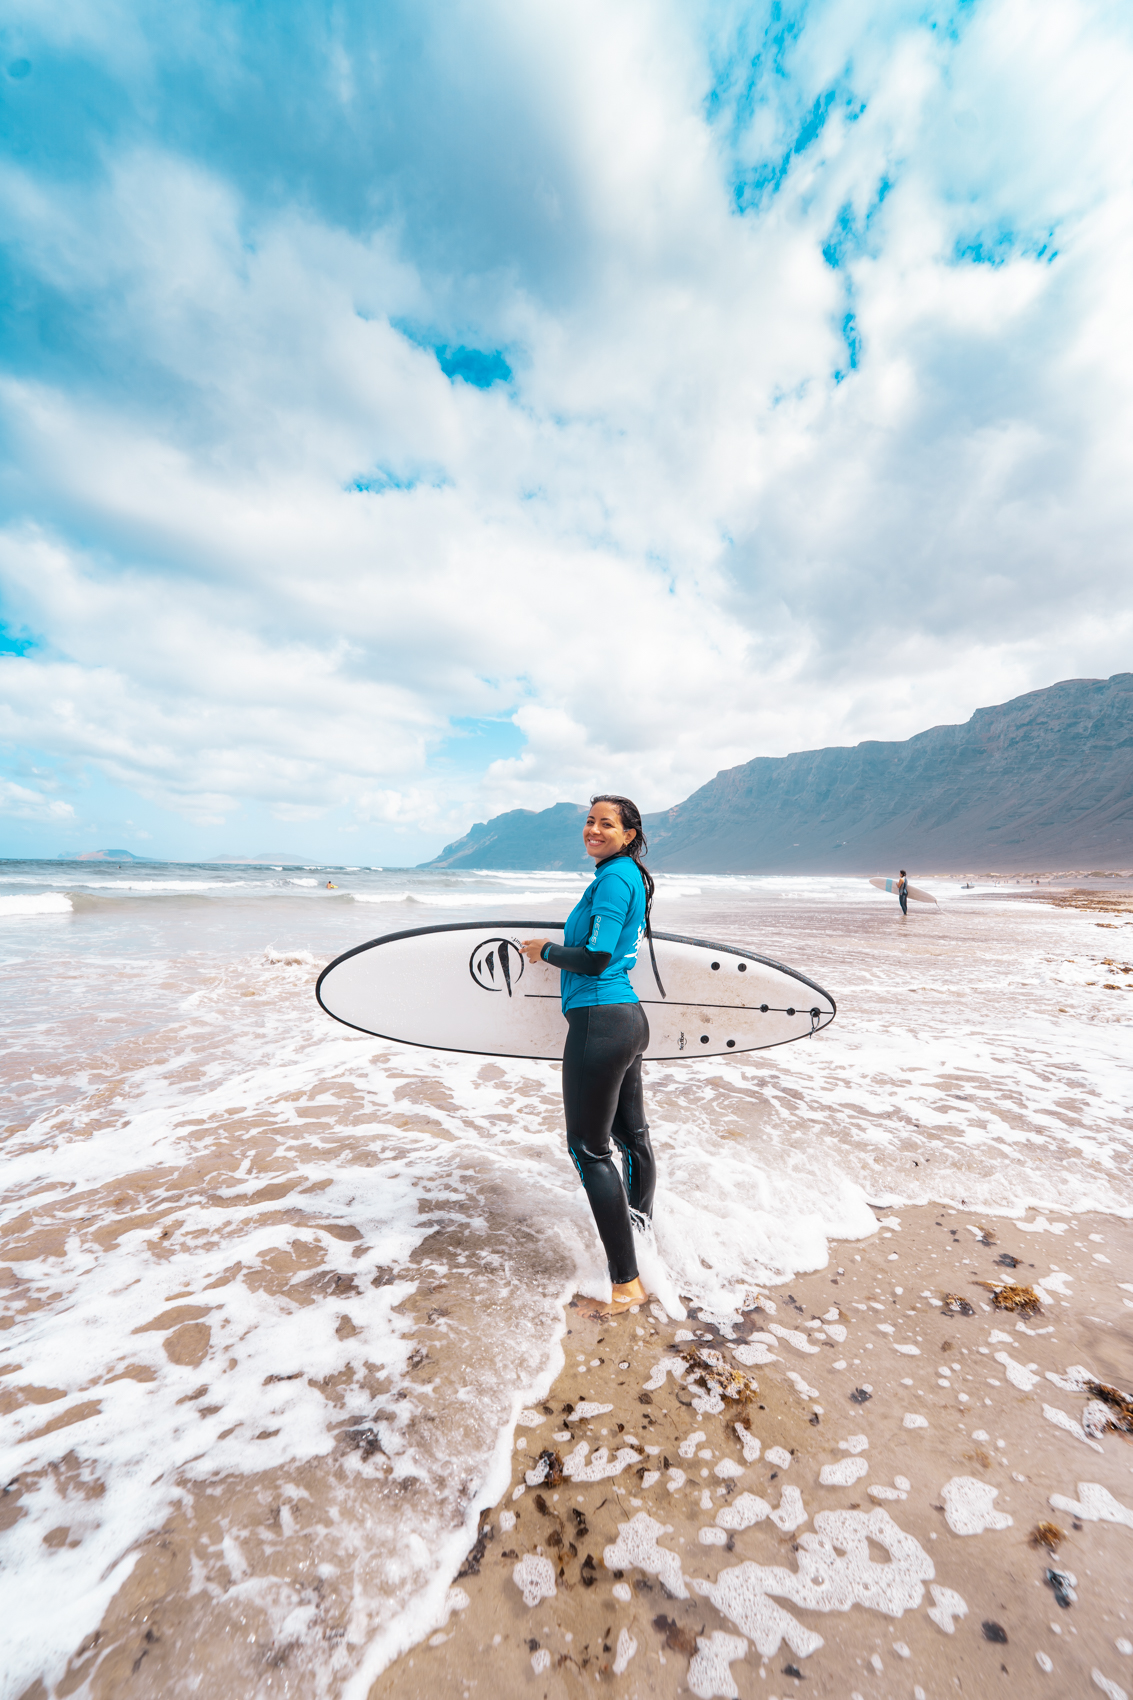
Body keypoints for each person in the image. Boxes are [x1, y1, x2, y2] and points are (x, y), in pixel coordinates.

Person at [520, 796, 656, 1317]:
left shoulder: (614, 879)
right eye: (590, 821)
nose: (593, 829)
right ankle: (641, 1241)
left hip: (601, 1023)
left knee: (588, 1148)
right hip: (626, 1021)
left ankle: (626, 1284)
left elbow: (597, 957)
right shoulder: (627, 876)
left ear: (628, 834)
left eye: (606, 823)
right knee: (631, 1139)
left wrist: (545, 952)